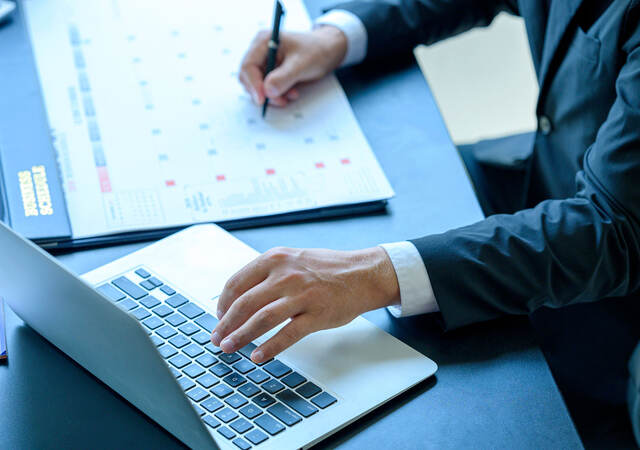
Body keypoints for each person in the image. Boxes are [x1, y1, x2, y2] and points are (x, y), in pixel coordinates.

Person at [211, 0, 640, 445]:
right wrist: (337, 36)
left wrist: (375, 275)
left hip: (610, 285)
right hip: (553, 175)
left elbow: (616, 228)